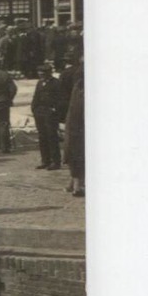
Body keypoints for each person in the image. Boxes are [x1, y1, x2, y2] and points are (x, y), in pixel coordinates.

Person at [31, 63, 64, 170]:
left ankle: (55, 162)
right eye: (40, 73)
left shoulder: (56, 83)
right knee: (42, 137)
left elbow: (61, 99)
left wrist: (55, 109)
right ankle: (45, 160)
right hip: (40, 112)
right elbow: (36, 97)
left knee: (52, 137)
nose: (41, 75)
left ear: (49, 73)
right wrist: (34, 109)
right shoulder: (40, 83)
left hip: (50, 113)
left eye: (43, 73)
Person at [64, 63, 85, 197]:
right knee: (76, 155)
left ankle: (74, 183)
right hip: (77, 128)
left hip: (74, 127)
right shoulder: (79, 91)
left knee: (74, 154)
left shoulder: (76, 89)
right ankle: (77, 184)